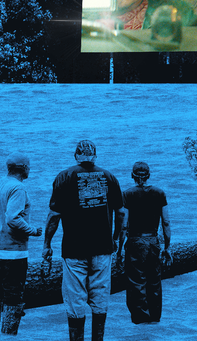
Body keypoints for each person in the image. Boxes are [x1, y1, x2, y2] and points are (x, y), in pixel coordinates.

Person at [42, 140, 125, 341]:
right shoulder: (109, 177)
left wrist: (47, 244)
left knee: (75, 303)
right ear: (95, 156)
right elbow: (121, 213)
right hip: (103, 249)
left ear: (76, 155)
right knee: (100, 300)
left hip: (74, 250)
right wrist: (115, 238)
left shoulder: (64, 177)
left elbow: (54, 216)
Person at [0, 153, 42, 335]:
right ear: (23, 168)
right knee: (14, 295)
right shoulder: (19, 189)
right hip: (13, 251)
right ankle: (8, 336)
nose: (30, 168)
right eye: (29, 166)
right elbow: (12, 218)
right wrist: (33, 230)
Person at [120, 161, 171, 324]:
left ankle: (141, 321)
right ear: (148, 175)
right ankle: (155, 319)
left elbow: (124, 224)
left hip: (135, 241)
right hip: (153, 240)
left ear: (132, 176)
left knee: (137, 282)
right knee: (154, 281)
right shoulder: (160, 193)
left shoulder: (127, 194)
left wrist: (120, 248)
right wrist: (167, 247)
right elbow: (166, 222)